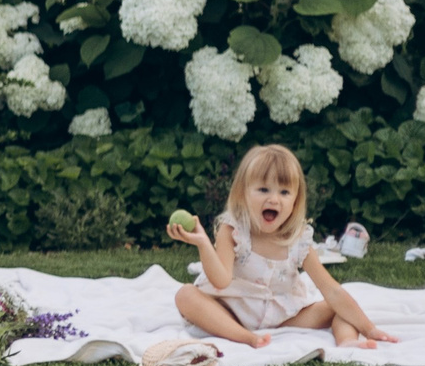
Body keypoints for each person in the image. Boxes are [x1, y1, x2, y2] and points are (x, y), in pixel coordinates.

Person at [165, 143, 397, 351]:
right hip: (232, 311)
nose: (274, 199)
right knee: (186, 296)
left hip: (282, 316)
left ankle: (346, 341)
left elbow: (332, 290)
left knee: (338, 306)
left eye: (284, 192)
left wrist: (368, 328)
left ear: (295, 201)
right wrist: (203, 243)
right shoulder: (234, 230)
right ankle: (246, 337)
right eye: (264, 190)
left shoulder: (299, 240)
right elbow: (221, 280)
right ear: (243, 194)